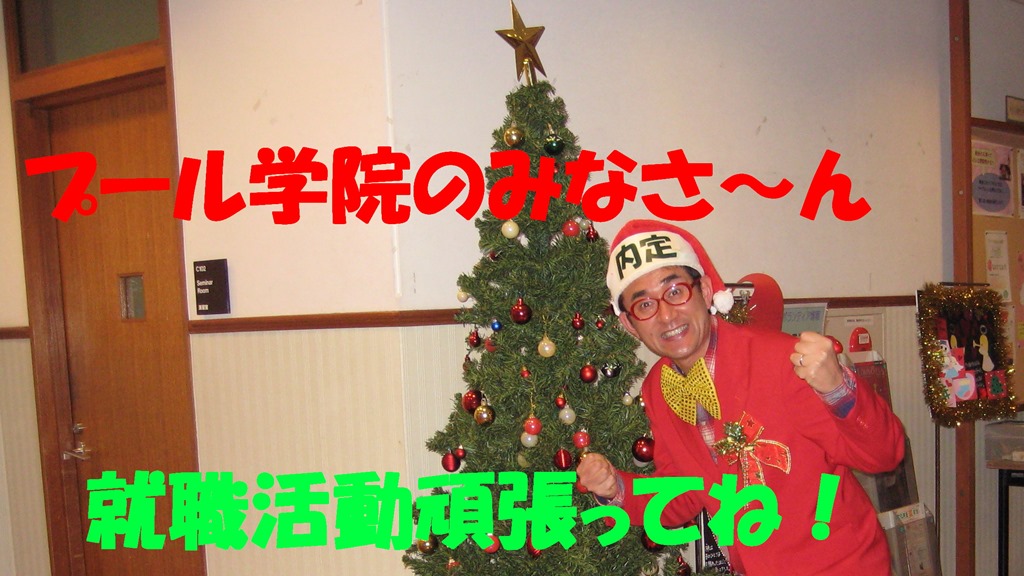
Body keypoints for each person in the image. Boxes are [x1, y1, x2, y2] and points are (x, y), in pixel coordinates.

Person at [577, 219, 905, 575]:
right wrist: (615, 489)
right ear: (629, 324)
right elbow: (683, 493)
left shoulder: (783, 361)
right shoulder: (657, 389)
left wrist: (837, 388)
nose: (666, 315)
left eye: (675, 291)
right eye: (644, 305)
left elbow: (883, 455)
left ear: (704, 290)